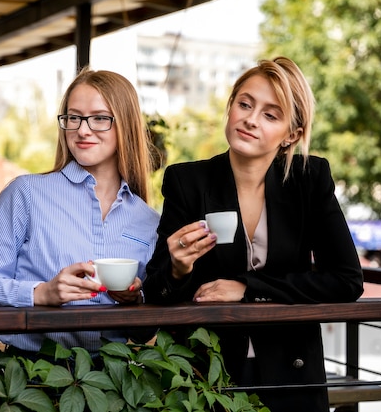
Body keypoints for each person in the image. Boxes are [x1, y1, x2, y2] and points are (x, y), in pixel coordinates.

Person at [143, 57, 364, 412]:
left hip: (292, 373)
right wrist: (177, 268)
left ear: (291, 134)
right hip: (207, 375)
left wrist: (249, 289)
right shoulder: (188, 181)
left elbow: (346, 280)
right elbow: (156, 290)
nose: (250, 119)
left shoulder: (309, 179)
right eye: (245, 104)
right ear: (230, 108)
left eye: (270, 115)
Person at [0, 67, 160, 355]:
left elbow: (143, 333)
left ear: (126, 125)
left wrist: (134, 301)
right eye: (73, 117)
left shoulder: (148, 220)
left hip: (113, 382)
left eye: (99, 118)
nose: (82, 129)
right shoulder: (26, 193)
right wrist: (41, 293)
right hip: (30, 376)